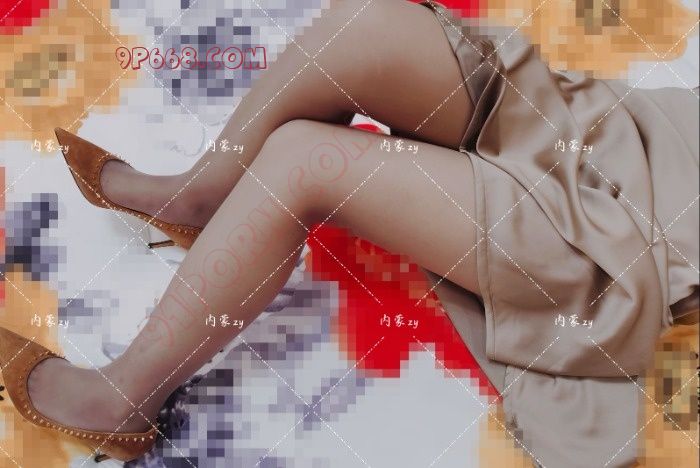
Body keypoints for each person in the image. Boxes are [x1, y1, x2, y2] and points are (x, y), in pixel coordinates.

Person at [1, 0, 697, 462]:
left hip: (630, 238)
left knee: (305, 161)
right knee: (368, 28)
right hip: (624, 133)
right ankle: (204, 197)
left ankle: (121, 400)